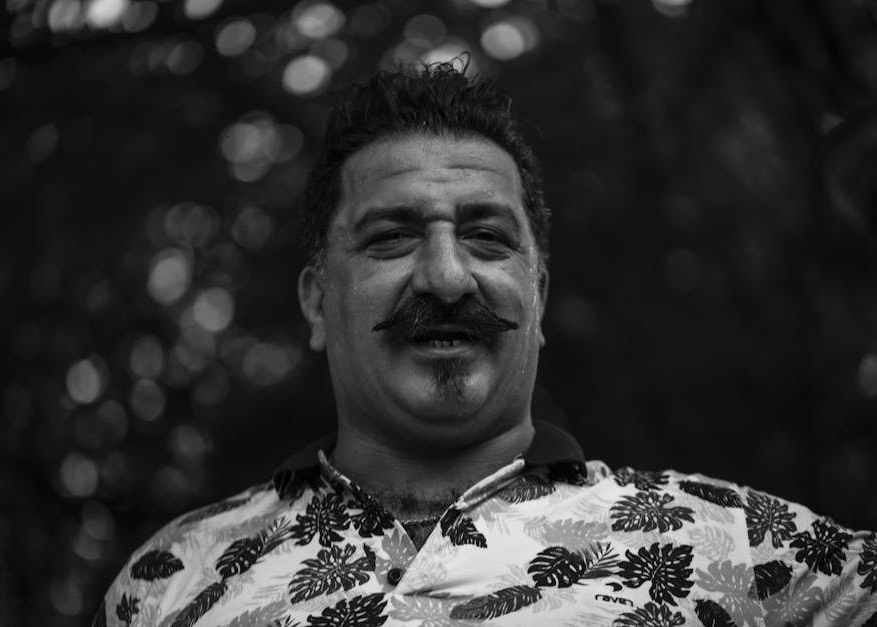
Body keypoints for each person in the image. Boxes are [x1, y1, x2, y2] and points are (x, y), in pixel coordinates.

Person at [94, 62, 877, 626]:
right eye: (392, 236)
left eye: (487, 236)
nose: (444, 276)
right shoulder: (166, 582)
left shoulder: (746, 552)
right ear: (316, 300)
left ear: (536, 295)